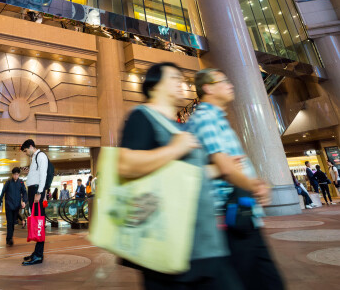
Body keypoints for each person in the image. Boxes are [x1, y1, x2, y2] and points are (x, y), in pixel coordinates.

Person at [118, 63, 242, 289]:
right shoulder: (142, 117)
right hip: (168, 249)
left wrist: (218, 170)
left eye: (181, 78)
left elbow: (184, 176)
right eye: (174, 77)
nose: (181, 83)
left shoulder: (180, 127)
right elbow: (125, 165)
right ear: (154, 86)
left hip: (206, 243)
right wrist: (174, 149)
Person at [186, 68, 284, 290]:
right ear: (208, 88)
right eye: (223, 80)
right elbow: (226, 167)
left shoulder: (218, 119)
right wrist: (256, 186)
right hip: (229, 218)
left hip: (242, 213)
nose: (230, 84)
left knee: (264, 279)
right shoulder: (205, 119)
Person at [21, 139, 48, 266]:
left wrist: (39, 192)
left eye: (26, 150)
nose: (26, 153)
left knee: (39, 223)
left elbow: (43, 175)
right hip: (33, 191)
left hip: (37, 192)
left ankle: (38, 255)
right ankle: (37, 252)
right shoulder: (34, 158)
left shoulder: (41, 156)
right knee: (37, 221)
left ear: (31, 146)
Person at [0, 167, 27, 246]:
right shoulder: (8, 182)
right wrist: (0, 203)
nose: (16, 176)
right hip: (9, 206)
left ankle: (9, 238)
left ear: (19, 174)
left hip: (16, 206)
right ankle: (9, 239)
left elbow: (24, 192)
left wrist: (24, 201)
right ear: (12, 174)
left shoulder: (21, 183)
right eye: (14, 174)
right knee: (10, 223)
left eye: (17, 174)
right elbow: (3, 192)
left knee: (13, 223)